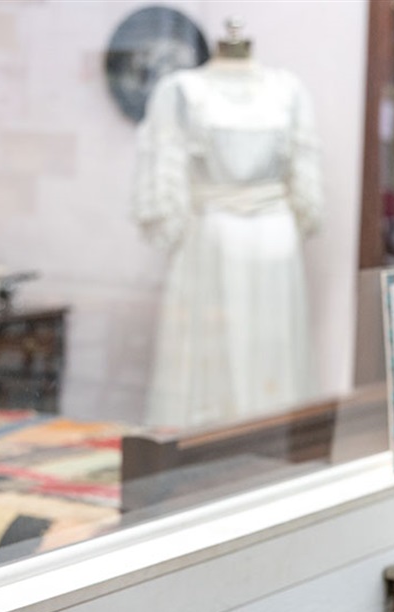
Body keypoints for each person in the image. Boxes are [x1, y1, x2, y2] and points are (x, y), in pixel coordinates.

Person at [133, 21, 322, 428]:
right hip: (213, 237)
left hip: (271, 240)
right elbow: (164, 186)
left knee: (272, 345)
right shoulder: (181, 90)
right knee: (211, 351)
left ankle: (274, 439)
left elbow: (306, 181)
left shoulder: (288, 90)